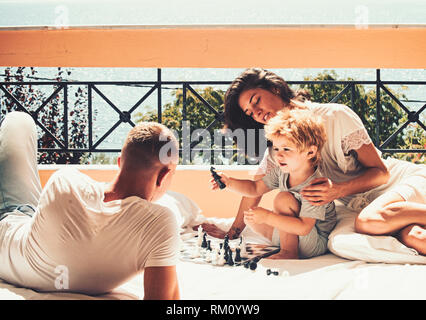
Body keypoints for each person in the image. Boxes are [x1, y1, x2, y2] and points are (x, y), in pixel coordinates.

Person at [201, 67, 426, 256]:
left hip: (400, 184)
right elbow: (255, 189)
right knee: (415, 238)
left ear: (275, 88)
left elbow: (381, 173)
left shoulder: (335, 116)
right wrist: (232, 233)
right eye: (250, 113)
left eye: (256, 101)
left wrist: (337, 191)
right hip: (372, 206)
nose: (257, 114)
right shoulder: (280, 146)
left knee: (369, 221)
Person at [0, 111, 181, 299]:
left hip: (10, 233)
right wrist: (167, 244)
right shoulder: (159, 225)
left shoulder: (66, 181)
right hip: (19, 219)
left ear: (120, 162)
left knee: (19, 121)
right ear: (164, 176)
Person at [210, 109, 337, 259]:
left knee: (283, 199)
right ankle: (285, 243)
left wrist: (269, 217)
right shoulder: (282, 172)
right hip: (296, 233)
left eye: (286, 149)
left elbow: (303, 228)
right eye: (276, 148)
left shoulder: (316, 186)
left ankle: (289, 252)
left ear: (310, 152)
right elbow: (255, 188)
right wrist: (229, 182)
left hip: (314, 241)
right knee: (250, 216)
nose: (278, 154)